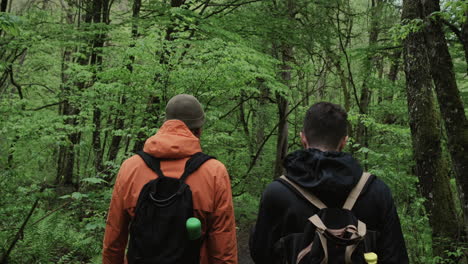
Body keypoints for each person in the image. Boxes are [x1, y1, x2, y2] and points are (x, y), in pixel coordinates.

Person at [249, 102, 408, 264]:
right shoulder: (377, 191)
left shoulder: (277, 194)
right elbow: (396, 257)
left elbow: (261, 254)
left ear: (303, 138)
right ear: (344, 142)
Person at [103, 94, 238, 264]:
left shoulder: (130, 168)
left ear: (165, 124)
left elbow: (114, 239)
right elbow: (223, 247)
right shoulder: (214, 172)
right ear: (199, 130)